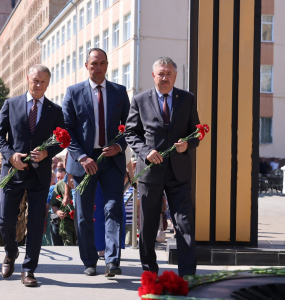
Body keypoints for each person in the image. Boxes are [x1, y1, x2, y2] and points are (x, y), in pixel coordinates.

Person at [125, 57, 200, 276]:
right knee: (148, 227)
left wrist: (187, 144)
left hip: (179, 174)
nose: (165, 77)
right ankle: (149, 272)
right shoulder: (140, 100)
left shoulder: (187, 99)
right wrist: (145, 151)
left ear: (175, 76)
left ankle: (187, 276)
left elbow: (196, 132)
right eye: (161, 74)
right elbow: (130, 133)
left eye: (169, 74)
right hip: (150, 173)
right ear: (153, 75)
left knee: (184, 225)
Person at [0, 64, 65, 287]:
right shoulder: (11, 104)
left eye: (43, 81)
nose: (38, 85)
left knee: (35, 223)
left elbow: (62, 140)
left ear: (48, 83)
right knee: (5, 220)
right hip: (13, 171)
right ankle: (11, 252)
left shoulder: (55, 110)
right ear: (27, 79)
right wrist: (10, 154)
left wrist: (47, 152)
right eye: (35, 80)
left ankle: (28, 270)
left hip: (40, 175)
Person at [62, 48, 130, 277]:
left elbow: (129, 128)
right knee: (83, 215)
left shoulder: (120, 92)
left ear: (107, 65)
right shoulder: (73, 92)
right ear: (86, 66)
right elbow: (66, 130)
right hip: (84, 162)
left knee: (112, 209)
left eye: (102, 63)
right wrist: (82, 157)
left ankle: (112, 261)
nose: (98, 68)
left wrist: (119, 146)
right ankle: (89, 261)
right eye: (94, 64)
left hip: (112, 161)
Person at [50, 168, 76, 246]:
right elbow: (54, 204)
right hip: (66, 220)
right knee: (68, 244)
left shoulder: (82, 181)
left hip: (80, 220)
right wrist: (58, 212)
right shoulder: (59, 185)